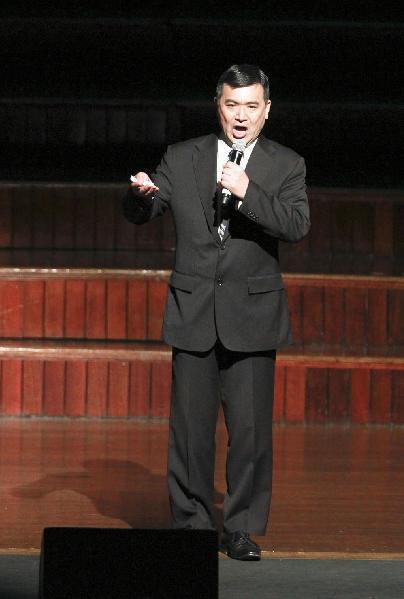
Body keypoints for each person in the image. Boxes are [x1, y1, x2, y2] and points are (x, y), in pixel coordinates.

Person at [124, 65, 310, 561]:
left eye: (253, 106)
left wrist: (248, 191)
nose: (242, 116)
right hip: (194, 309)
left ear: (267, 109)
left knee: (250, 432)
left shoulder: (286, 164)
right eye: (233, 105)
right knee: (189, 430)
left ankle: (242, 528)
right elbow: (147, 209)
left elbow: (296, 224)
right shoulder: (183, 157)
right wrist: (140, 194)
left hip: (252, 313)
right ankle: (192, 525)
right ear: (218, 106)